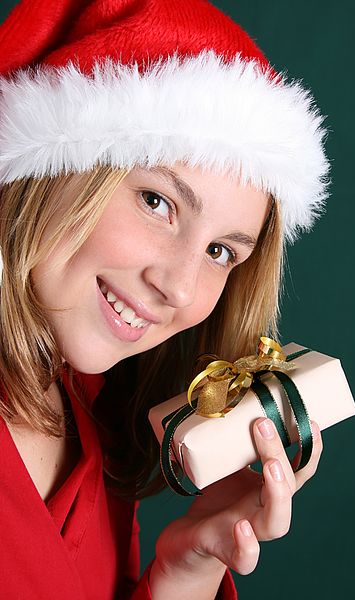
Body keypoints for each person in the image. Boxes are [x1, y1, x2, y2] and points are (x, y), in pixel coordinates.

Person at [0, 1, 329, 598]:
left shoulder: (89, 414)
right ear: (49, 169)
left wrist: (189, 570)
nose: (179, 287)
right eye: (157, 202)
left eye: (222, 252)